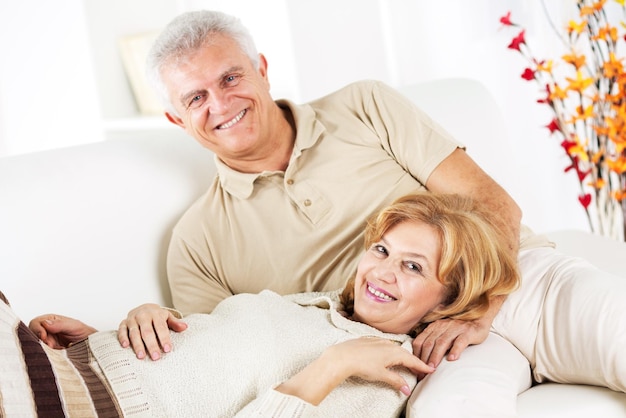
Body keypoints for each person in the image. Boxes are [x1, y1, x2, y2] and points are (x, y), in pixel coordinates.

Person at [31, 9, 626, 417]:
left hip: (516, 285)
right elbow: (225, 364)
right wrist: (125, 325)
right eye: (196, 98)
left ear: (261, 70)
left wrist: (482, 312)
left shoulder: (362, 106)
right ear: (177, 120)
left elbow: (494, 205)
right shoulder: (197, 240)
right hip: (414, 363)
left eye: (231, 77)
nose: (221, 104)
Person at [19, 192, 519, 417]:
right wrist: (109, 337)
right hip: (68, 367)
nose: (383, 271)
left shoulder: (382, 376)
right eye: (382, 250)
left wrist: (334, 365)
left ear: (446, 302)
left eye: (414, 267)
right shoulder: (320, 306)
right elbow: (207, 362)